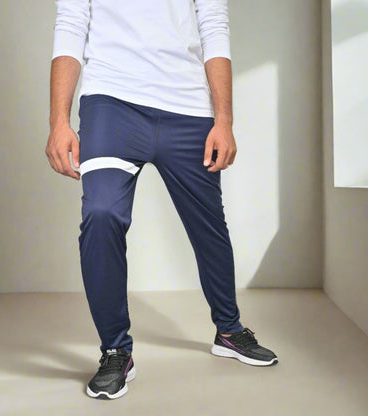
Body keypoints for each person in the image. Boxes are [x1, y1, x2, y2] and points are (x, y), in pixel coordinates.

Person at [46, 0, 278, 400]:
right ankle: (116, 351)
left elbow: (213, 24)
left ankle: (229, 330)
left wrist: (224, 120)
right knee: (101, 213)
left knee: (208, 225)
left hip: (187, 104)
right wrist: (59, 121)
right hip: (111, 101)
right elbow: (71, 22)